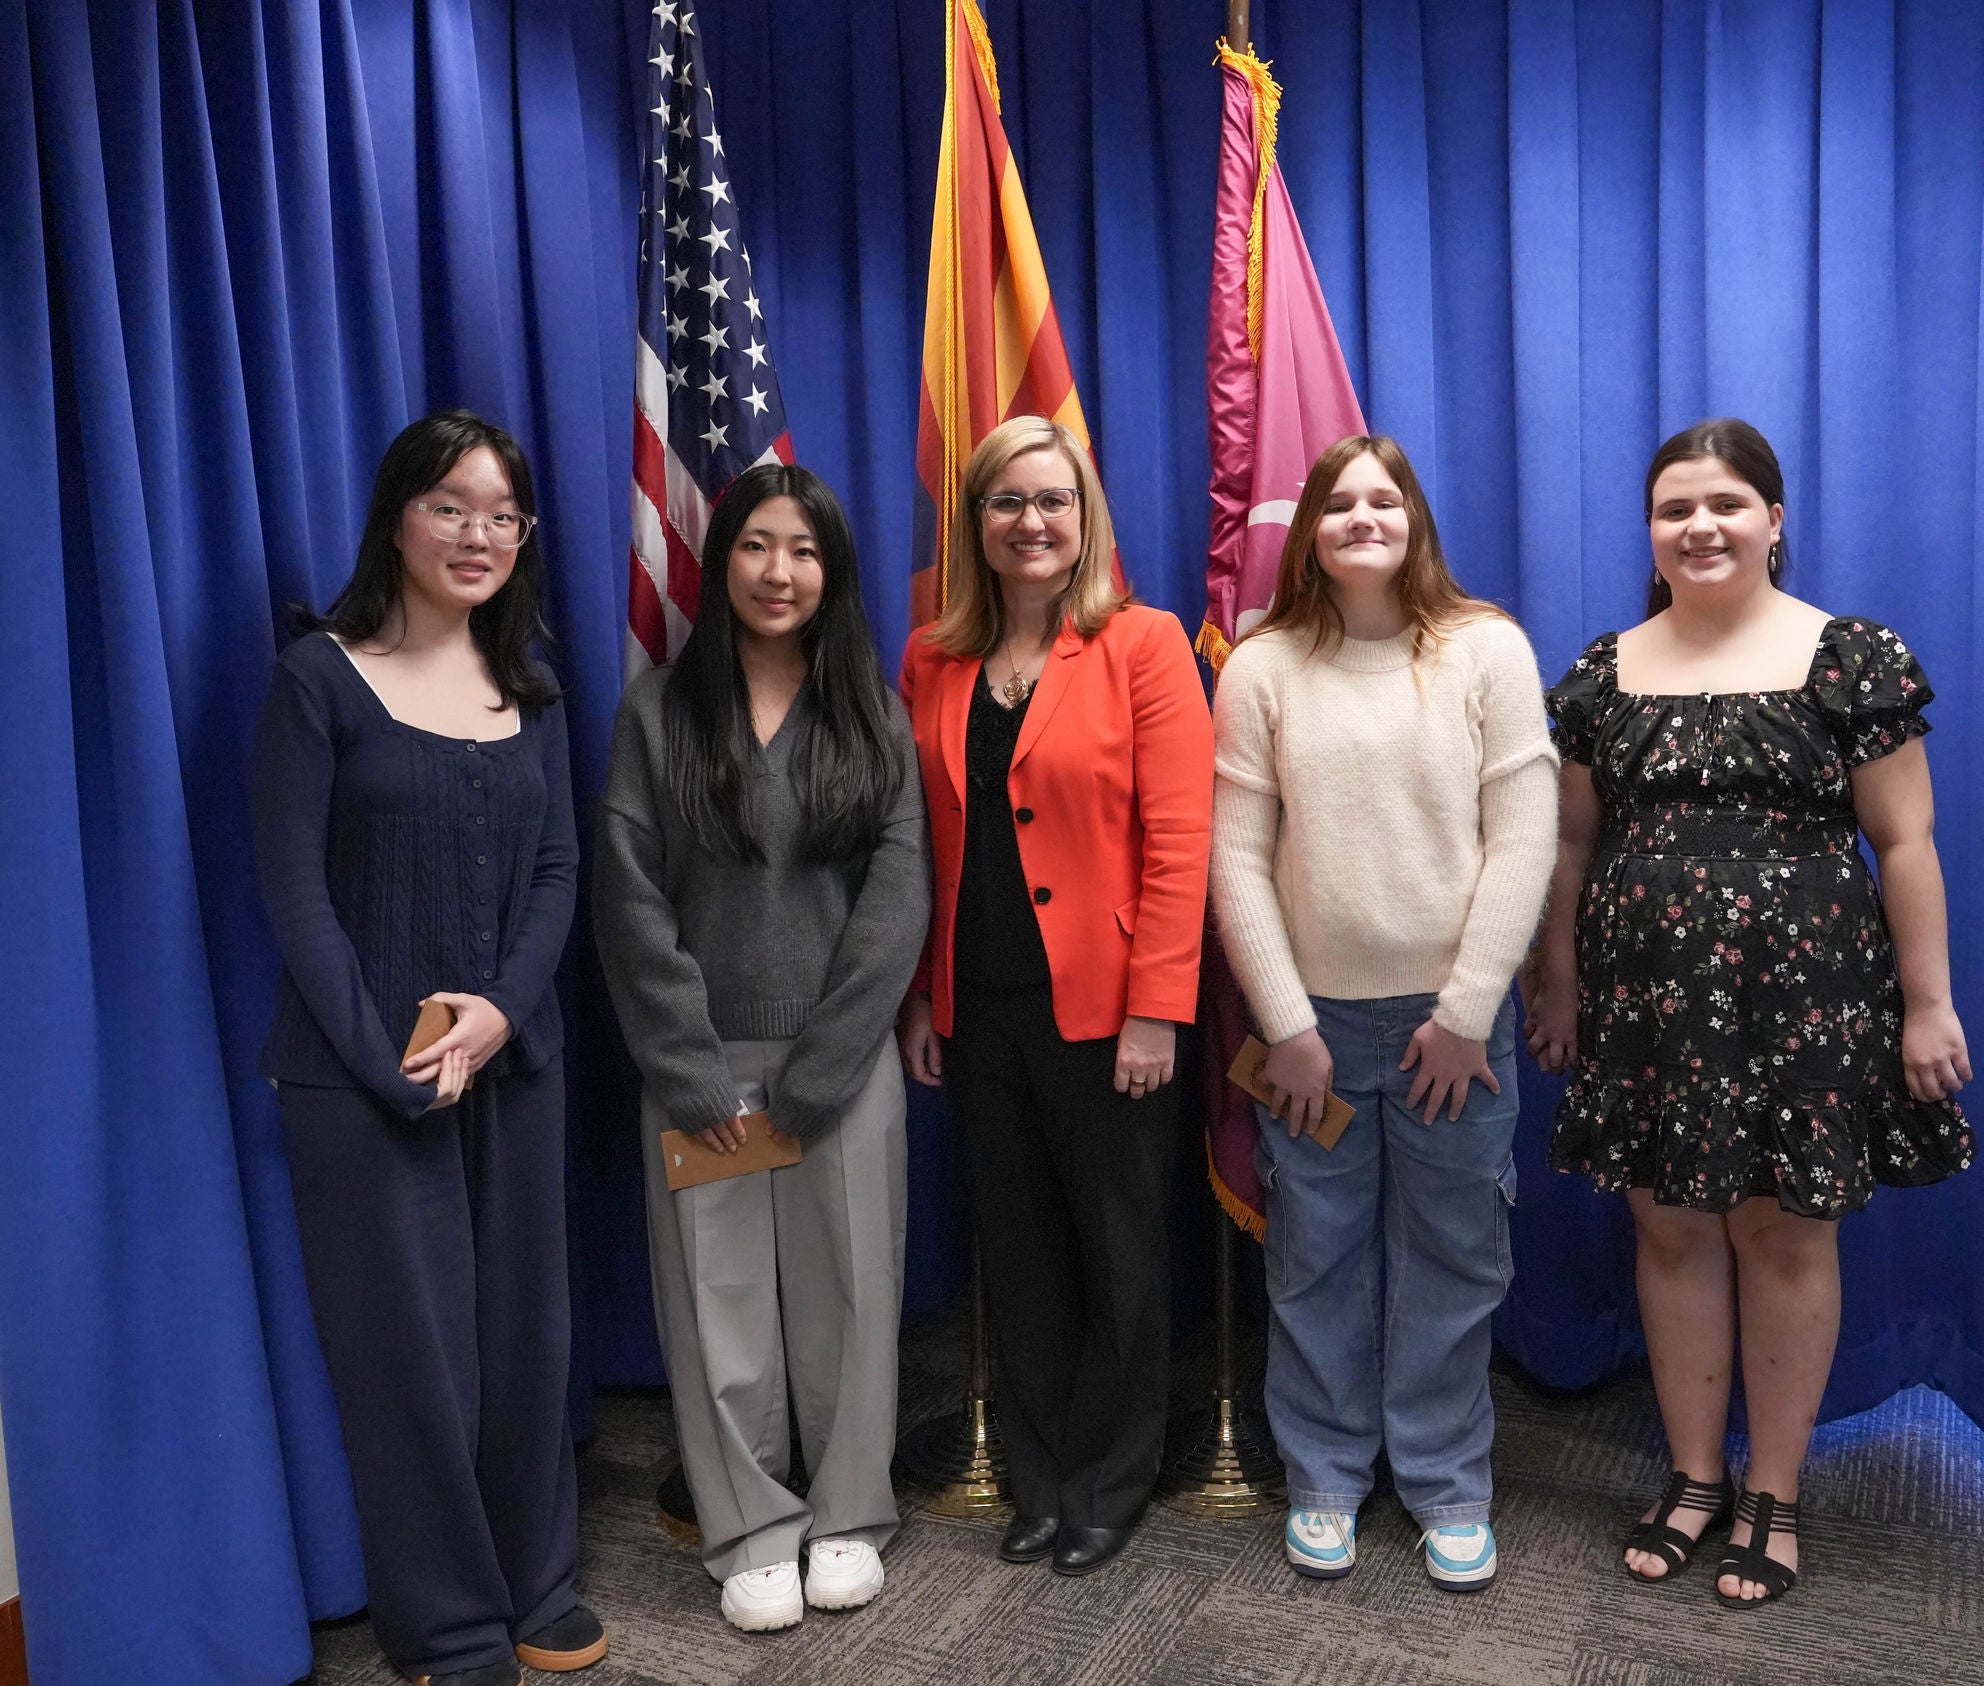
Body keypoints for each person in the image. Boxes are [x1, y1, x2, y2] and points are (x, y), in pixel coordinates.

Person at [1524, 418, 1974, 1607]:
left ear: (1772, 519)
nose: (1698, 526)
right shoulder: (1603, 668)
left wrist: (1926, 1003)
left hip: (1803, 1005)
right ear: (1650, 531)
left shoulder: (1845, 655)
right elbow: (1567, 849)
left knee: (1780, 1234)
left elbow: (1905, 840)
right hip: (1645, 1009)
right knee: (1668, 1230)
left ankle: (1771, 1490)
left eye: (1724, 503)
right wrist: (1555, 981)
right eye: (1674, 508)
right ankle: (1688, 1477)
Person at [250, 411, 603, 1686]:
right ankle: (447, 1626)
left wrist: (500, 1010)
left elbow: (560, 865)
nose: (476, 534)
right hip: (357, 1083)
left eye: (501, 514)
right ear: (397, 513)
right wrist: (388, 1056)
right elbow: (293, 892)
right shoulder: (317, 677)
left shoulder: (538, 681)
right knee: (409, 1362)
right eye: (450, 505)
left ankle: (536, 1584)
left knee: (524, 1340)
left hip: (515, 1062)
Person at [1209, 433, 1558, 1593]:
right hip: (1310, 1037)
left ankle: (1446, 1479)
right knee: (1313, 1259)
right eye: (1338, 503)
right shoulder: (1260, 666)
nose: (1362, 517)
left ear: (1413, 518)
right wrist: (1287, 1021)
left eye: (1383, 499)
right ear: (1308, 529)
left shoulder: (1483, 650)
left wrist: (1465, 1013)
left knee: (1455, 1257)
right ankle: (1323, 1474)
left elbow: (1523, 842)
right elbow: (1237, 857)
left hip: (1451, 1034)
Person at [594, 463, 927, 1633]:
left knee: (850, 1291)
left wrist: (827, 1064)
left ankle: (844, 1513)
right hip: (702, 1072)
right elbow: (629, 901)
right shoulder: (657, 712)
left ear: (829, 571)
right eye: (753, 546)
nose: (777, 572)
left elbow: (897, 895)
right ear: (718, 556)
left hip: (838, 1074)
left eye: (801, 550)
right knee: (716, 1302)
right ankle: (749, 1526)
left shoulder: (869, 710)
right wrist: (687, 1068)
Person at [896, 415, 1213, 1576]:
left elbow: (1181, 840)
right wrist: (918, 1000)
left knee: (1120, 1256)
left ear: (1085, 521)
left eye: (1052, 501)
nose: (1030, 523)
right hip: (974, 1007)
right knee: (1018, 1253)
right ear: (973, 521)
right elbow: (916, 841)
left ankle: (1107, 1481)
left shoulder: (1143, 644)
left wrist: (1155, 1008)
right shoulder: (931, 656)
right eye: (1005, 502)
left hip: (1107, 1011)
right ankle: (1035, 1480)